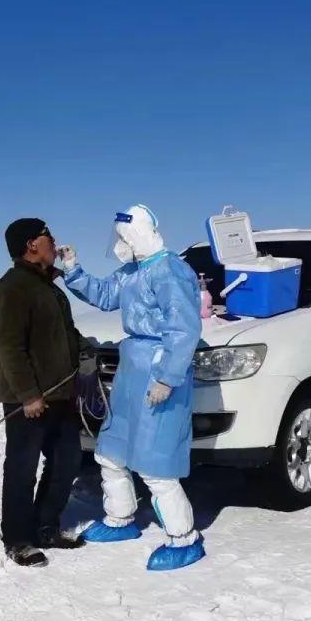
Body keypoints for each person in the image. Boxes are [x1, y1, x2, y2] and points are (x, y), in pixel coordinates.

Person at [57, 205, 205, 571]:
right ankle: (120, 519)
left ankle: (184, 538)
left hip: (158, 371)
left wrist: (168, 377)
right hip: (131, 370)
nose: (120, 244)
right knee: (111, 450)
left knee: (156, 462)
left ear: (141, 233)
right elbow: (104, 295)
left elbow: (184, 329)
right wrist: (73, 269)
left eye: (124, 237)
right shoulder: (133, 272)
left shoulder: (170, 271)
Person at [0, 218, 87, 567]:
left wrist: (85, 351)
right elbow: (9, 347)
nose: (54, 241)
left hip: (60, 395)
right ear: (31, 244)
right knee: (21, 468)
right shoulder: (13, 287)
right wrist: (29, 394)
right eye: (48, 236)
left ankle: (46, 526)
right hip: (28, 399)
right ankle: (17, 538)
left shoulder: (48, 287)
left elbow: (64, 334)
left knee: (66, 462)